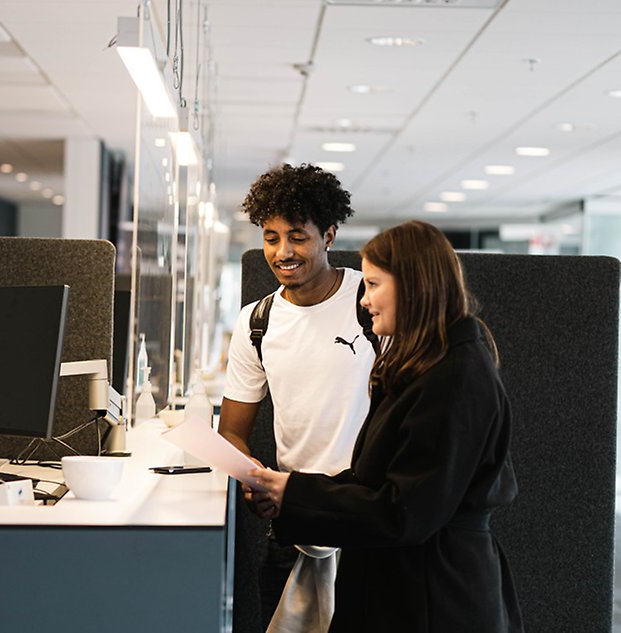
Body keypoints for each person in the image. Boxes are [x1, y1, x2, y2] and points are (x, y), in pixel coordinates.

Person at [250, 220, 523, 632]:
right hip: (404, 587)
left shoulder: (455, 377)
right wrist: (291, 496)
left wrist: (298, 493)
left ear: (414, 287)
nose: (364, 300)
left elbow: (403, 511)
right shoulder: (424, 365)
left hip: (434, 599)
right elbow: (376, 483)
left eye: (374, 284)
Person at [219, 163, 376, 633]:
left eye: (297, 236)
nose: (282, 252)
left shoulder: (368, 301)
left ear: (328, 234)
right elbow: (231, 431)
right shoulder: (255, 323)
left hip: (369, 524)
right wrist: (253, 482)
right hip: (294, 524)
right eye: (271, 237)